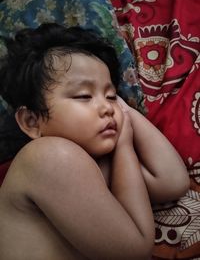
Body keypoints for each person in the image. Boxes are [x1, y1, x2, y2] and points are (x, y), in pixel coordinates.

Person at [0, 23, 189, 260]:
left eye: (111, 96)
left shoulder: (104, 162)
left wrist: (123, 117)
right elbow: (135, 249)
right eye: (84, 96)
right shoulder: (48, 156)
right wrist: (124, 144)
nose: (107, 108)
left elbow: (172, 181)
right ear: (31, 121)